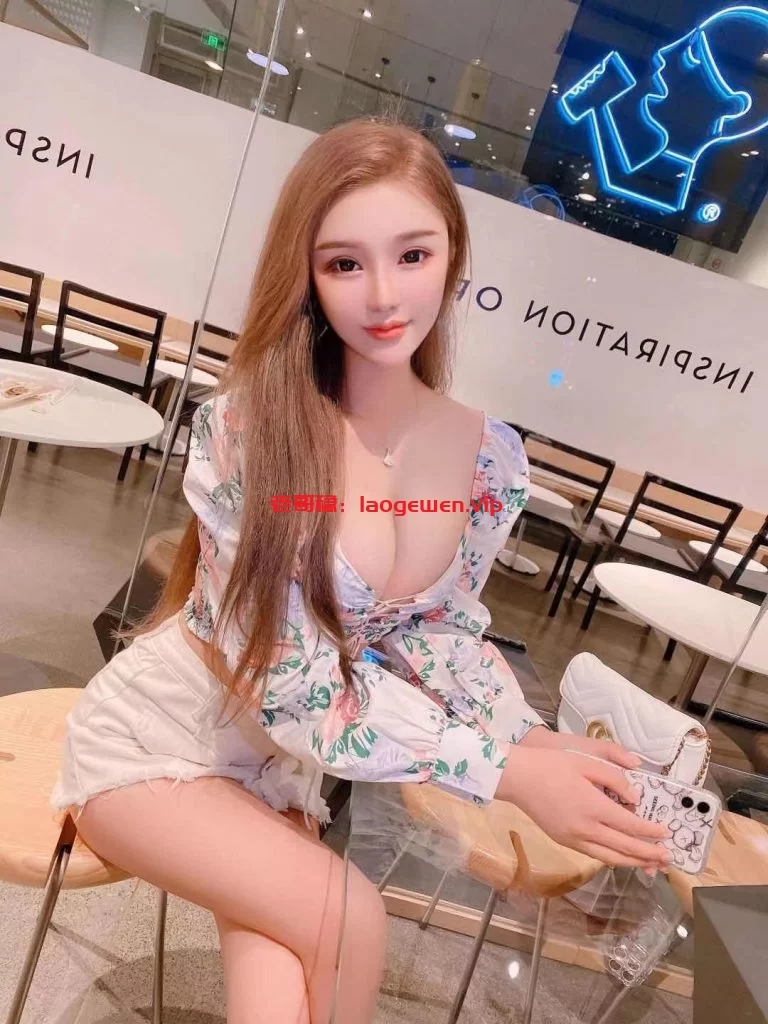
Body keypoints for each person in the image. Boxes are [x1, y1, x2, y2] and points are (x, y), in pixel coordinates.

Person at [51, 118, 671, 1024]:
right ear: (306, 275)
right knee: (351, 917)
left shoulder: (487, 457)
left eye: (412, 255)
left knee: (289, 977)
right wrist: (506, 770)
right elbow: (294, 687)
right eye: (344, 263)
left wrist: (532, 740)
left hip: (282, 773)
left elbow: (436, 633)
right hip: (161, 742)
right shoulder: (249, 432)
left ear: (453, 257)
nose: (383, 295)